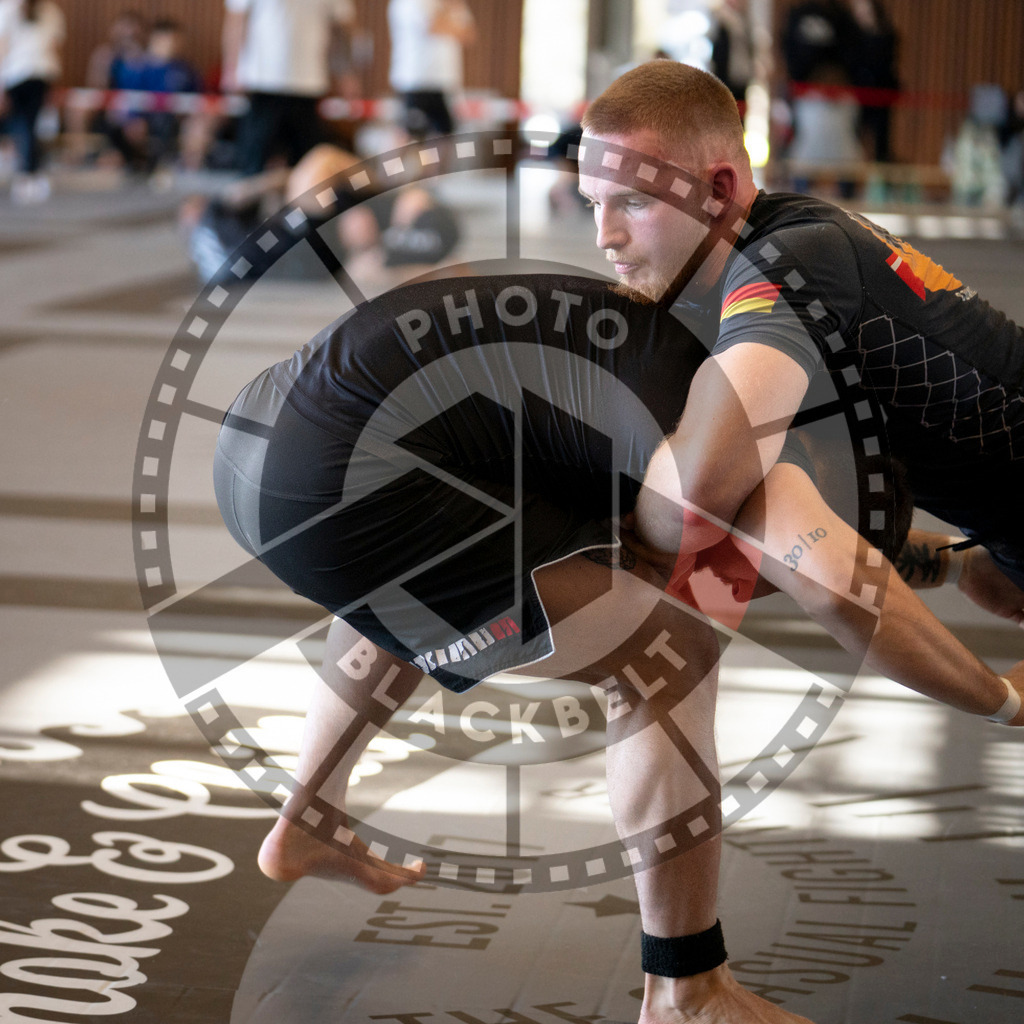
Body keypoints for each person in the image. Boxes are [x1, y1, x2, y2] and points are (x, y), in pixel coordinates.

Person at [214, 247, 1023, 1022]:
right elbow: (835, 576)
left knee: (422, 581)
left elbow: (814, 540)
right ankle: (685, 991)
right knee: (667, 655)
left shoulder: (724, 377)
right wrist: (1003, 701)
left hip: (265, 437)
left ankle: (310, 815)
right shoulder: (737, 451)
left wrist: (956, 567)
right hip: (351, 480)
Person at [577, 60, 1024, 644]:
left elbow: (697, 498)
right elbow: (799, 525)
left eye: (634, 203)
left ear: (718, 190)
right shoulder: (742, 265)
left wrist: (602, 545)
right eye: (593, 202)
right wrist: (956, 564)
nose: (604, 236)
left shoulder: (789, 264)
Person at [222, 0, 356, 175]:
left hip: (309, 82)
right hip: (263, 81)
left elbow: (342, 27)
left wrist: (346, 73)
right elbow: (237, 18)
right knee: (252, 162)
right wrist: (231, 67)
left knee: (308, 165)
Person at [0, 0, 64, 204]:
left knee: (24, 125)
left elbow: (3, 48)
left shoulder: (9, 8)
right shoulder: (51, 10)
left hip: (17, 74)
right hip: (39, 74)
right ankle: (28, 171)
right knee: (28, 124)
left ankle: (27, 173)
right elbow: (54, 46)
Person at [387, 0, 476, 140]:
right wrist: (448, 12)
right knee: (409, 134)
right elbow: (433, 27)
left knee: (444, 135)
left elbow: (469, 35)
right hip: (415, 80)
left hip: (445, 81)